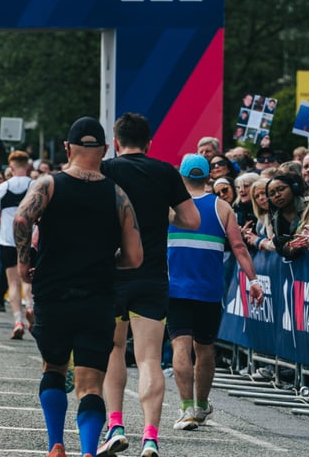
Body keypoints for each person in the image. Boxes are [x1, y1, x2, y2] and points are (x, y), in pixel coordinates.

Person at [14, 117, 142, 457]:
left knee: (54, 368)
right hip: (98, 298)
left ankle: (56, 443)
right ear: (105, 150)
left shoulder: (49, 185)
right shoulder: (118, 196)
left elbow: (21, 219)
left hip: (53, 294)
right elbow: (134, 257)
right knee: (89, 385)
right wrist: (103, 259)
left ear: (68, 148)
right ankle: (87, 450)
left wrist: (24, 261)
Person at [98, 113, 200, 457]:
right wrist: (163, 213)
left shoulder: (106, 169)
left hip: (110, 275)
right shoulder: (165, 172)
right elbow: (191, 219)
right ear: (150, 142)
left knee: (113, 351)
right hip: (152, 275)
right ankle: (151, 437)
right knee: (149, 360)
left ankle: (115, 425)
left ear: (115, 141)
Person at [168, 154, 264, 431]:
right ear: (208, 176)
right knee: (205, 348)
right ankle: (200, 406)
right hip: (208, 290)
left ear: (181, 177)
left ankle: (186, 409)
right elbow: (240, 248)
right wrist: (254, 281)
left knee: (181, 347)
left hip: (174, 288)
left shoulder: (169, 208)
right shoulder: (222, 207)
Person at [0, 151, 33, 336]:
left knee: (13, 282)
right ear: (28, 166)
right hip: (30, 241)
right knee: (28, 280)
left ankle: (18, 321)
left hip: (7, 240)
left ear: (11, 167)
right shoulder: (36, 185)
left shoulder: (2, 187)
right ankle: (30, 306)